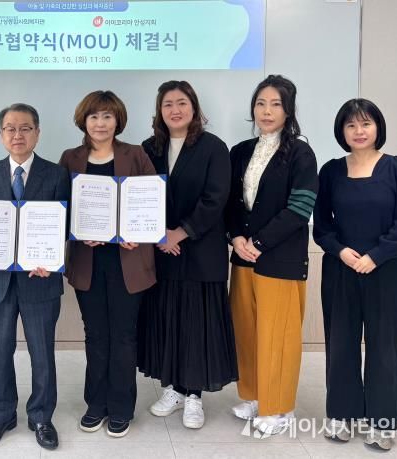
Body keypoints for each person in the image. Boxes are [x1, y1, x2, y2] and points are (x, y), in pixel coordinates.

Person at [313, 99, 397, 451]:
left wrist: (376, 256)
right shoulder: (330, 171)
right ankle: (342, 415)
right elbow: (322, 224)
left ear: (378, 127)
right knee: (340, 343)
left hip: (386, 270)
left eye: (366, 124)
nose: (359, 131)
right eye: (351, 125)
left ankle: (382, 422)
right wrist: (341, 251)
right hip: (341, 268)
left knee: (384, 346)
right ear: (342, 131)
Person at [138, 81, 237, 429]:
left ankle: (194, 395)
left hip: (200, 251)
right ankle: (174, 390)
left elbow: (216, 198)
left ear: (194, 107)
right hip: (161, 253)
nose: (175, 110)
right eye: (167, 104)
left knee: (197, 325)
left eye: (181, 103)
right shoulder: (149, 148)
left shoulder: (214, 147)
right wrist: (158, 234)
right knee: (168, 320)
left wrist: (179, 232)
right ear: (159, 111)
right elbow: (140, 195)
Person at [59, 90, 156, 437]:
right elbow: (60, 206)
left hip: (128, 260)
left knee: (124, 336)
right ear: (83, 121)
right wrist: (77, 230)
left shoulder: (136, 154)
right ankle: (95, 404)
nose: (100, 123)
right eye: (94, 116)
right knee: (96, 335)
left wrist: (138, 233)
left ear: (118, 121)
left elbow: (152, 202)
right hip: (88, 261)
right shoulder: (70, 158)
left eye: (107, 116)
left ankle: (121, 407)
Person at [0, 103, 70, 450]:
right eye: (10, 128)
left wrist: (52, 258)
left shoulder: (57, 174)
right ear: (1, 135)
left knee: (42, 353)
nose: (18, 135)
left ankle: (41, 416)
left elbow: (63, 226)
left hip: (40, 280)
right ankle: (0, 415)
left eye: (25, 128)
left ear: (37, 133)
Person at [225, 75, 318, 435]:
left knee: (277, 335)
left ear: (288, 110)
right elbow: (230, 203)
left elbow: (300, 208)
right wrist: (236, 238)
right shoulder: (240, 151)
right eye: (261, 103)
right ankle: (254, 395)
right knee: (247, 330)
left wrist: (260, 243)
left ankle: (279, 409)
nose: (267, 111)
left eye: (276, 104)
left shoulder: (300, 153)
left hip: (280, 259)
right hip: (243, 257)